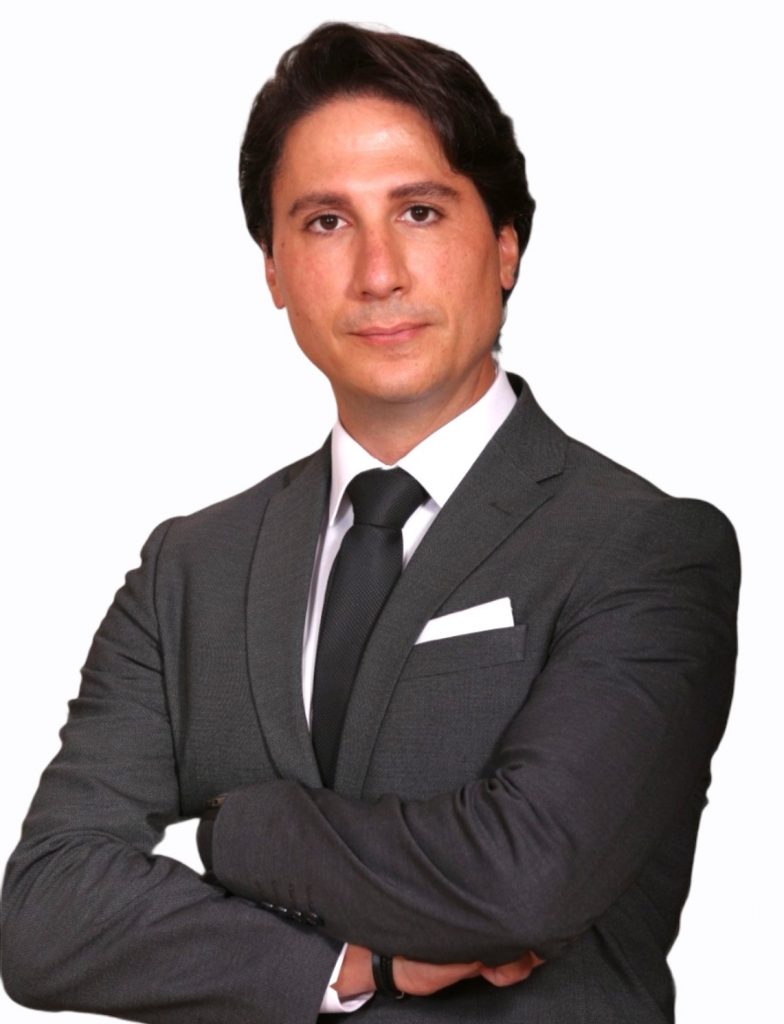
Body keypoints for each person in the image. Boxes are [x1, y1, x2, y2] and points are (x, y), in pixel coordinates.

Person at [1, 21, 739, 1024]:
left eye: (420, 211)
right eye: (325, 222)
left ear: (506, 244)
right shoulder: (190, 569)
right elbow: (44, 912)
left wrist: (236, 832)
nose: (379, 272)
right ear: (272, 269)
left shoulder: (643, 547)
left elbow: (523, 881)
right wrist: (359, 965)